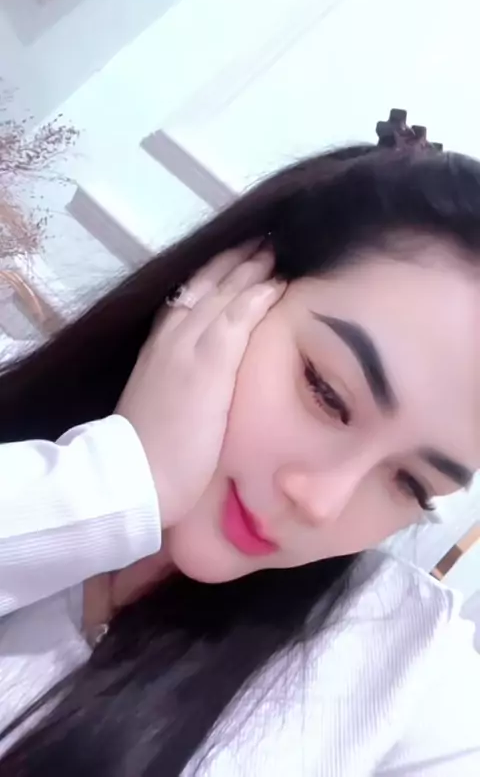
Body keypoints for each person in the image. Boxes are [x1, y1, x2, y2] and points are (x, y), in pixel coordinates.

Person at [0, 110, 479, 776]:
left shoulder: (403, 673)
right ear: (232, 284)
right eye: (327, 392)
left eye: (411, 485)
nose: (321, 503)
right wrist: (112, 481)